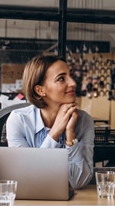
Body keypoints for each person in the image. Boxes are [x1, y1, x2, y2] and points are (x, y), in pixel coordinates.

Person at [6, 54, 94, 189]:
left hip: (72, 204)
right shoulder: (19, 120)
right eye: (61, 79)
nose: (73, 83)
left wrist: (70, 136)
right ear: (40, 90)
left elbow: (79, 182)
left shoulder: (84, 121)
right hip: (30, 202)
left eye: (70, 76)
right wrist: (55, 132)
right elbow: (29, 178)